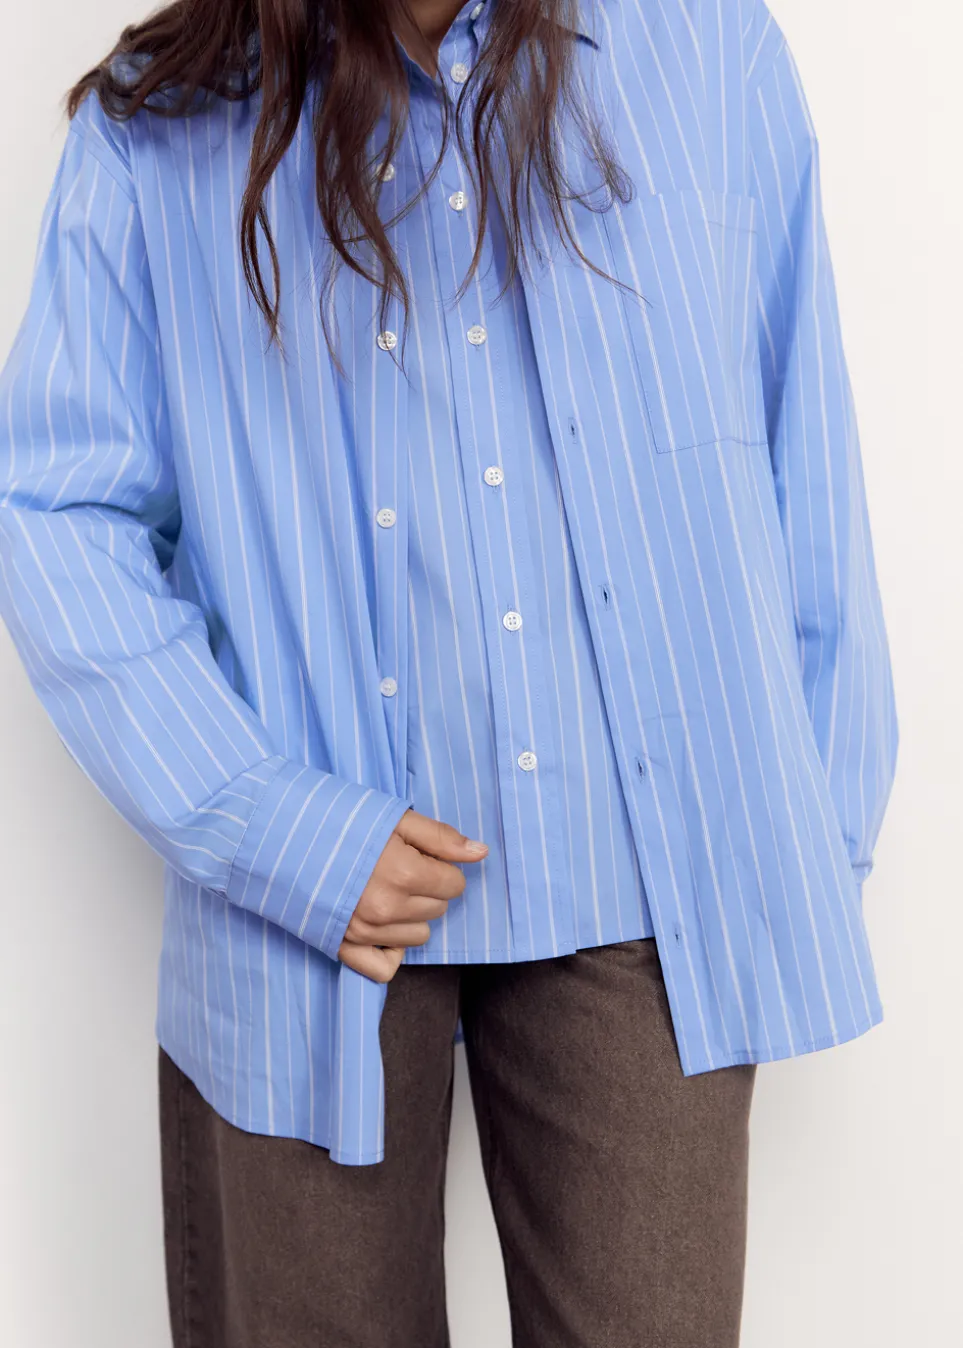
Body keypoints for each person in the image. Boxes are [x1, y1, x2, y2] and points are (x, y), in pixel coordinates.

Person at [0, 0, 898, 1343]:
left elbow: (799, 435)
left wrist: (803, 839)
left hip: (646, 895)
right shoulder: (165, 123)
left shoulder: (706, 46)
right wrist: (272, 829)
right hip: (305, 915)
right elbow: (57, 512)